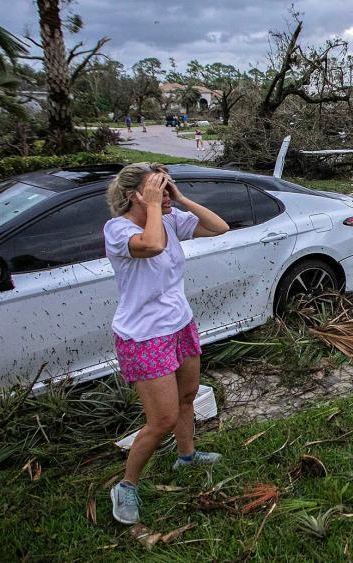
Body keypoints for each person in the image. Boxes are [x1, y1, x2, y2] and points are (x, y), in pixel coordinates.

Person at [104, 163, 230, 524]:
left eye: (165, 185)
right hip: (144, 336)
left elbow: (218, 227)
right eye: (157, 187)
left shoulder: (171, 219)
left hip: (179, 324)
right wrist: (156, 207)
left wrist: (179, 198)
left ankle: (186, 456)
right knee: (161, 419)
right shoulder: (118, 229)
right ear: (134, 196)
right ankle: (126, 486)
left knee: (188, 396)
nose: (164, 191)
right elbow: (153, 245)